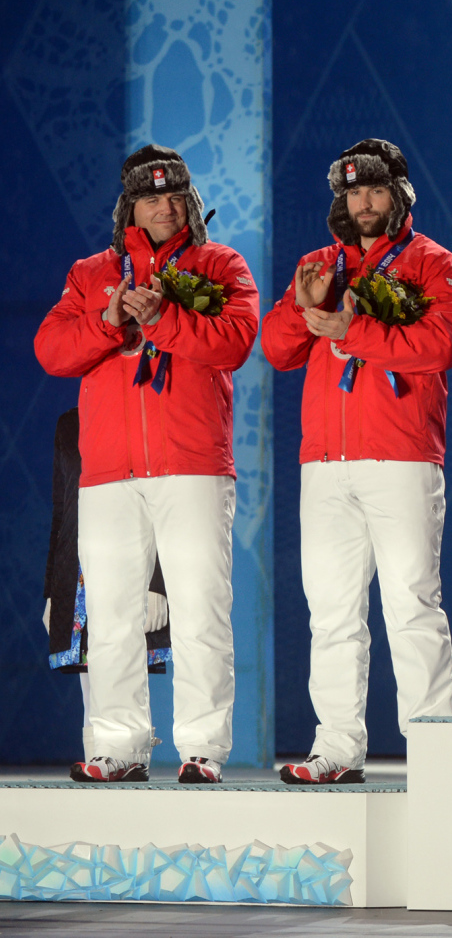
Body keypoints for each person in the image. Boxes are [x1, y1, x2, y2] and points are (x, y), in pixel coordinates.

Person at [34, 145, 259, 784]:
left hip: (191, 466)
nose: (164, 206)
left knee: (200, 609)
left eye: (173, 195)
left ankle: (202, 750)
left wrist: (163, 319)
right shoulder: (90, 273)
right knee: (109, 614)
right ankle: (119, 745)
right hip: (107, 471)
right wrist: (107, 325)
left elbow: (235, 343)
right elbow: (51, 349)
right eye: (150, 197)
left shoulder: (220, 266)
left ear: (188, 201)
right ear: (129, 206)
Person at [262, 139, 452, 785]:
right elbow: (275, 348)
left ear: (399, 194)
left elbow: (439, 347)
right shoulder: (318, 263)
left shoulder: (434, 264)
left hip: (400, 457)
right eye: (354, 193)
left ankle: (434, 750)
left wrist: (348, 330)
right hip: (324, 464)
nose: (364, 203)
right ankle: (337, 748)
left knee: (410, 603)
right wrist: (306, 309)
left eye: (376, 191)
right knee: (330, 613)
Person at [42, 408, 172, 763]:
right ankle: (98, 762)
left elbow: (162, 502)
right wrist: (53, 590)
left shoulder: (143, 413)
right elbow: (61, 506)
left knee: (126, 661)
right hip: (78, 567)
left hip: (129, 556)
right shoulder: (68, 422)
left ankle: (132, 757)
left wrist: (157, 582)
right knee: (89, 669)